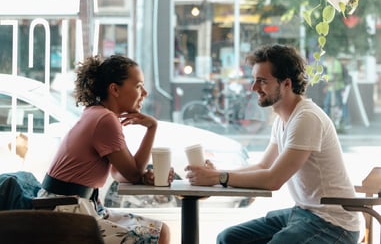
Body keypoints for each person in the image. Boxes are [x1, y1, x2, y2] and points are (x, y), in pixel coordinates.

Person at [185, 43, 360, 244]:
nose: (253, 88)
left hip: (334, 224)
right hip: (304, 214)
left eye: (262, 81)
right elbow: (263, 166)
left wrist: (218, 177)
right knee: (228, 239)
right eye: (254, 80)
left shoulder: (307, 118)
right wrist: (215, 175)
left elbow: (273, 179)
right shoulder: (283, 119)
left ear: (286, 84)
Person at [38, 54, 173, 244]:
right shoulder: (105, 120)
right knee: (159, 235)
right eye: (138, 86)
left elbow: (120, 172)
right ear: (115, 89)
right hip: (66, 211)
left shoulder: (97, 113)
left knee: (160, 231)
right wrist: (152, 128)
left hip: (73, 206)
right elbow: (132, 174)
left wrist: (142, 176)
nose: (145, 93)